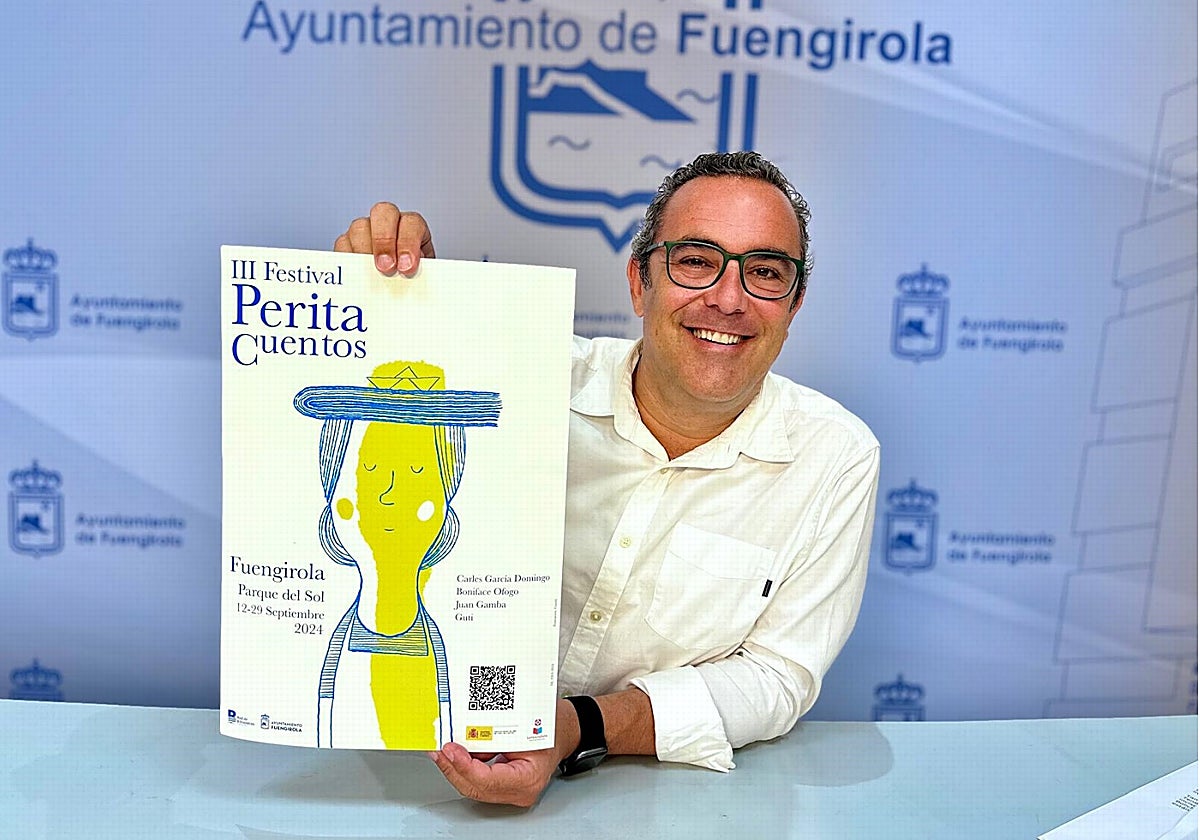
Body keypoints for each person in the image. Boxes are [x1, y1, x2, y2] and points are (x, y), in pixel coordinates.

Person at [334, 151, 880, 807]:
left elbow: (775, 676)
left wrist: (577, 727)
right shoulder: (526, 384)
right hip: (402, 774)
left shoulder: (835, 456)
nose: (728, 298)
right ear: (638, 283)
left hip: (652, 803)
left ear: (793, 305)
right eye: (696, 261)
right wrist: (395, 295)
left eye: (765, 271)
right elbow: (416, 385)